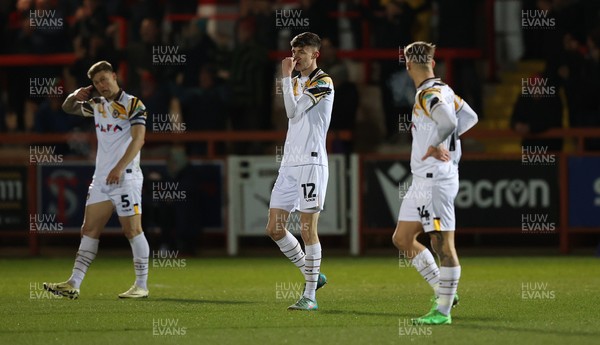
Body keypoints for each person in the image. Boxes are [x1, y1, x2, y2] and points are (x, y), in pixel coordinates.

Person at [44, 61, 150, 299]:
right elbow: (68, 108)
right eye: (96, 82)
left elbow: (138, 140)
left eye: (104, 79)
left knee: (132, 230)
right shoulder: (97, 105)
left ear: (114, 76)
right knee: (89, 230)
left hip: (125, 177)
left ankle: (141, 285)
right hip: (102, 179)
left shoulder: (133, 104)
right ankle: (74, 283)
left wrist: (119, 167)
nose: (101, 85)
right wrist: (73, 95)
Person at [392, 42, 478, 324]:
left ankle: (442, 312)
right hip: (422, 179)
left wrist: (439, 144)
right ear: (432, 62)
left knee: (442, 244)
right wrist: (449, 143)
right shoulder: (445, 89)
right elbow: (469, 117)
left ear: (408, 65)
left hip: (435, 178)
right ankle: (444, 292)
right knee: (403, 238)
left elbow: (448, 123)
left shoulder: (428, 94)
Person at [265, 32, 333, 311]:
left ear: (315, 54)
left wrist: (283, 78)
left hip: (311, 163)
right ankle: (313, 273)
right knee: (274, 228)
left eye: (301, 52)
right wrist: (288, 80)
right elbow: (291, 114)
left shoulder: (323, 82)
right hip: (290, 164)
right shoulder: (295, 82)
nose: (296, 57)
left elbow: (292, 113)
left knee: (307, 230)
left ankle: (310, 296)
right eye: (294, 51)